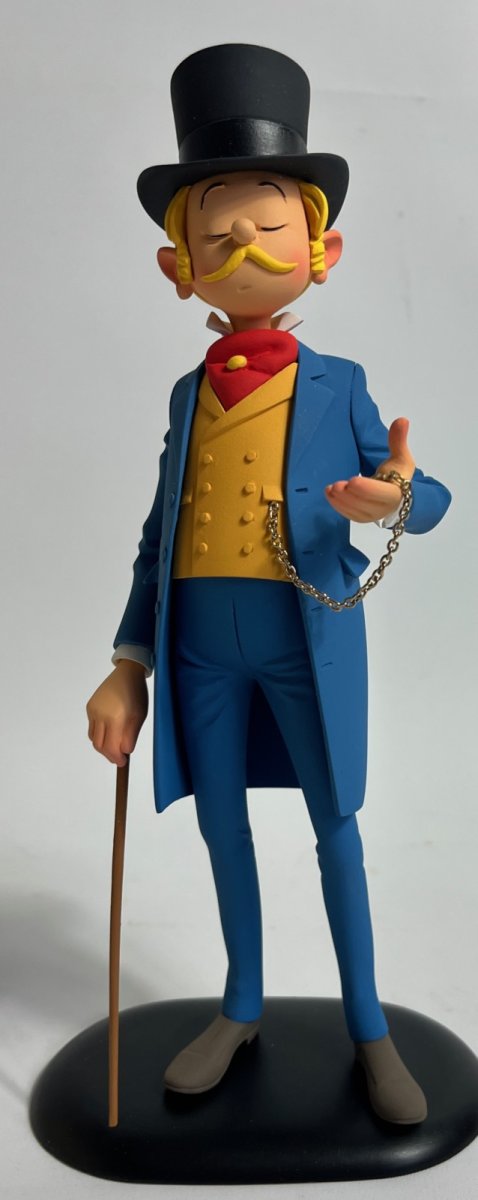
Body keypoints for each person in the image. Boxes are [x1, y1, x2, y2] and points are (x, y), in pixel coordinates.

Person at [86, 44, 451, 1123]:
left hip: (305, 638)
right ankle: (240, 1001)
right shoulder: (185, 394)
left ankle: (369, 1023)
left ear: (321, 250)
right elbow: (157, 534)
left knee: (336, 825)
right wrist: (127, 663)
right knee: (221, 825)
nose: (243, 243)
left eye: (267, 224)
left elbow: (426, 494)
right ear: (179, 266)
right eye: (217, 234)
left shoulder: (340, 384)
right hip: (198, 643)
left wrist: (396, 494)